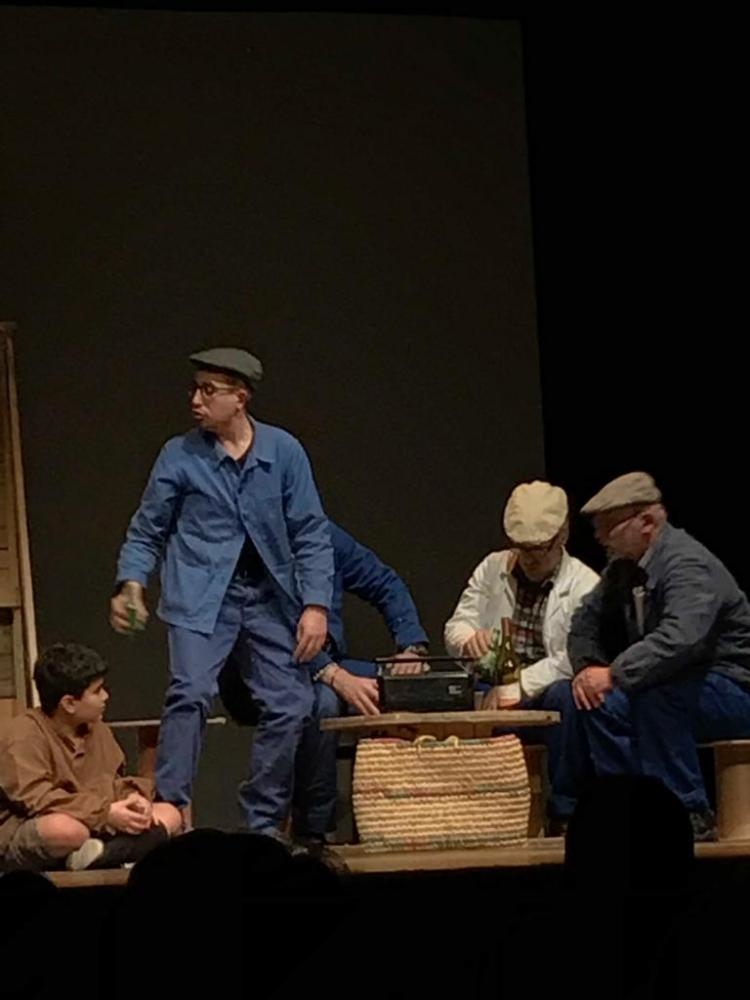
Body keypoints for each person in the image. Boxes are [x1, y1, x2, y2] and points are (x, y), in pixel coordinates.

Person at [110, 347, 334, 839]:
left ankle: (261, 822)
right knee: (190, 692)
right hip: (200, 596)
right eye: (195, 388)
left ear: (241, 397)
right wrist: (132, 583)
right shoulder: (180, 455)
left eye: (208, 391)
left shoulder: (282, 452)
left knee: (293, 704)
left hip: (266, 599)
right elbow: (147, 529)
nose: (196, 400)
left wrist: (316, 604)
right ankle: (171, 810)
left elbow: (311, 532)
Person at [218, 519, 428, 843]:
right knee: (322, 702)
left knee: (415, 688)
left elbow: (384, 582)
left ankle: (421, 819)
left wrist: (411, 646)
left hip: (327, 664)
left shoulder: (326, 537)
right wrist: (333, 675)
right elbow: (275, 628)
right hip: (266, 666)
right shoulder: (257, 545)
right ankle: (313, 829)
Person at [568, 471, 750, 840]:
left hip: (731, 687)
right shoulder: (624, 567)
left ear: (647, 522)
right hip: (672, 683)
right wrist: (588, 670)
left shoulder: (688, 565)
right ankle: (628, 807)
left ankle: (686, 811)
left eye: (608, 527)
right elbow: (584, 621)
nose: (599, 538)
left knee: (656, 698)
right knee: (597, 703)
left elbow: (680, 639)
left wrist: (614, 673)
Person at [444, 480, 599, 827]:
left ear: (562, 536)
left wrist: (518, 686)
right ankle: (469, 817)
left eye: (538, 549)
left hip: (540, 692)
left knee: (567, 696)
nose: (528, 558)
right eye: (521, 547)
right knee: (447, 694)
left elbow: (572, 658)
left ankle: (566, 812)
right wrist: (468, 640)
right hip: (489, 687)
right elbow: (456, 625)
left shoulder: (584, 585)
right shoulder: (493, 567)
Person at [0, 642, 181, 871]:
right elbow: (39, 800)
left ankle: (100, 855)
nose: (105, 696)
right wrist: (105, 814)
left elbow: (111, 781)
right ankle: (103, 853)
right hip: (40, 826)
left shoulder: (97, 729)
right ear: (69, 703)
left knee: (169, 814)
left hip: (95, 822)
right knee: (66, 831)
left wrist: (133, 799)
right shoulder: (22, 735)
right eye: (97, 691)